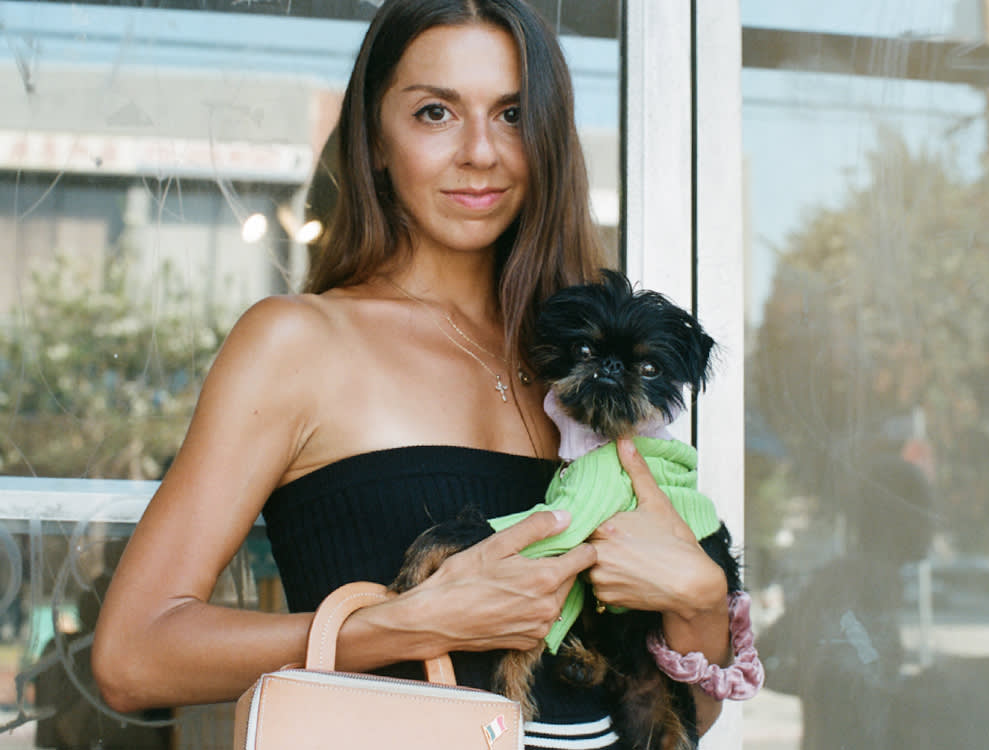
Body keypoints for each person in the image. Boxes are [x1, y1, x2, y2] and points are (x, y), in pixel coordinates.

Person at [92, 1, 732, 747]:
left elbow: (685, 715)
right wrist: (403, 626)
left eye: (513, 113)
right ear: (374, 140)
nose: (480, 151)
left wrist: (701, 601)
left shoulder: (586, 360)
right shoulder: (296, 344)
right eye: (435, 112)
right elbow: (131, 657)